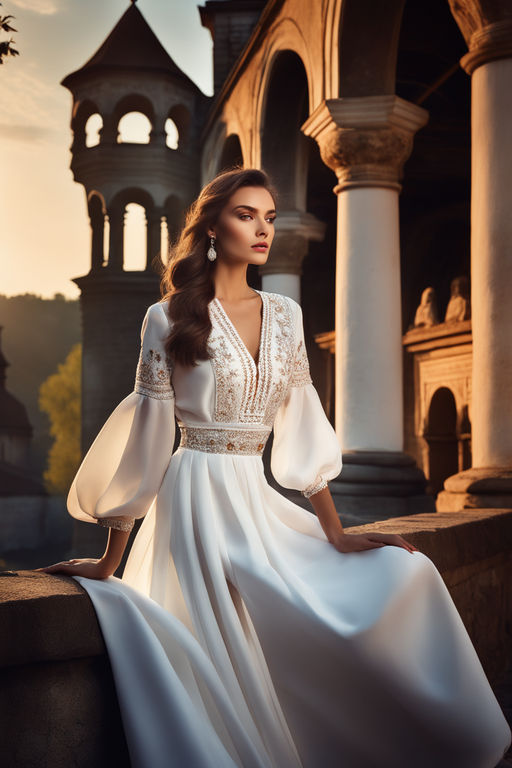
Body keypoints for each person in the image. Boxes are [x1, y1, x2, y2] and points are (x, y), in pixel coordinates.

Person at [36, 168, 511, 768]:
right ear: (212, 226)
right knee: (220, 655)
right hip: (193, 499)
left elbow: (301, 422)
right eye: (245, 215)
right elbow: (149, 440)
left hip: (254, 497)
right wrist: (112, 556)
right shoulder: (167, 317)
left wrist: (336, 531)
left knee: (408, 578)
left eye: (269, 217)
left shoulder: (286, 315)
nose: (262, 229)